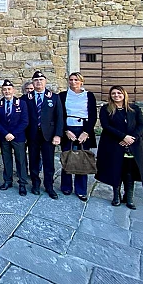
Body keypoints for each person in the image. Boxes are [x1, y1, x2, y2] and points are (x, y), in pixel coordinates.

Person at [96, 86, 143, 209]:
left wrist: (131, 138)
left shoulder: (135, 109)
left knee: (129, 172)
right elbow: (106, 126)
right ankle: (116, 196)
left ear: (124, 94)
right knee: (116, 170)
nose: (116, 95)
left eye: (119, 93)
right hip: (113, 144)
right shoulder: (106, 109)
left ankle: (129, 198)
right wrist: (123, 137)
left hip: (133, 145)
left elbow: (141, 125)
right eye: (113, 93)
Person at [59, 72, 97, 201]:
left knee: (82, 159)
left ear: (81, 81)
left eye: (76, 80)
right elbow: (60, 115)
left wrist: (86, 132)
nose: (73, 82)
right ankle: (66, 186)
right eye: (71, 80)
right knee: (67, 157)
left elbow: (92, 115)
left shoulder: (89, 96)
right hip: (68, 129)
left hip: (83, 129)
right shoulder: (63, 95)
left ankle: (81, 189)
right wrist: (65, 130)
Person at [25, 71, 63, 199]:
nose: (38, 82)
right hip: (33, 135)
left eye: (41, 79)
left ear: (45, 81)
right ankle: (35, 184)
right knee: (33, 161)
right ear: (33, 82)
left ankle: (49, 186)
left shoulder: (54, 97)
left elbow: (59, 118)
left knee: (49, 162)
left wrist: (58, 135)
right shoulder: (26, 98)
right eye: (36, 80)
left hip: (49, 135)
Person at [0, 80, 29, 196]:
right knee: (6, 159)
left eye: (9, 89)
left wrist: (13, 134)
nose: (6, 91)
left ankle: (22, 183)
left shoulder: (21, 103)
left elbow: (24, 121)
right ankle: (7, 181)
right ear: (2, 91)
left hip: (18, 137)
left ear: (13, 90)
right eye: (4, 89)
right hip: (5, 137)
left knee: (21, 161)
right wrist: (5, 134)